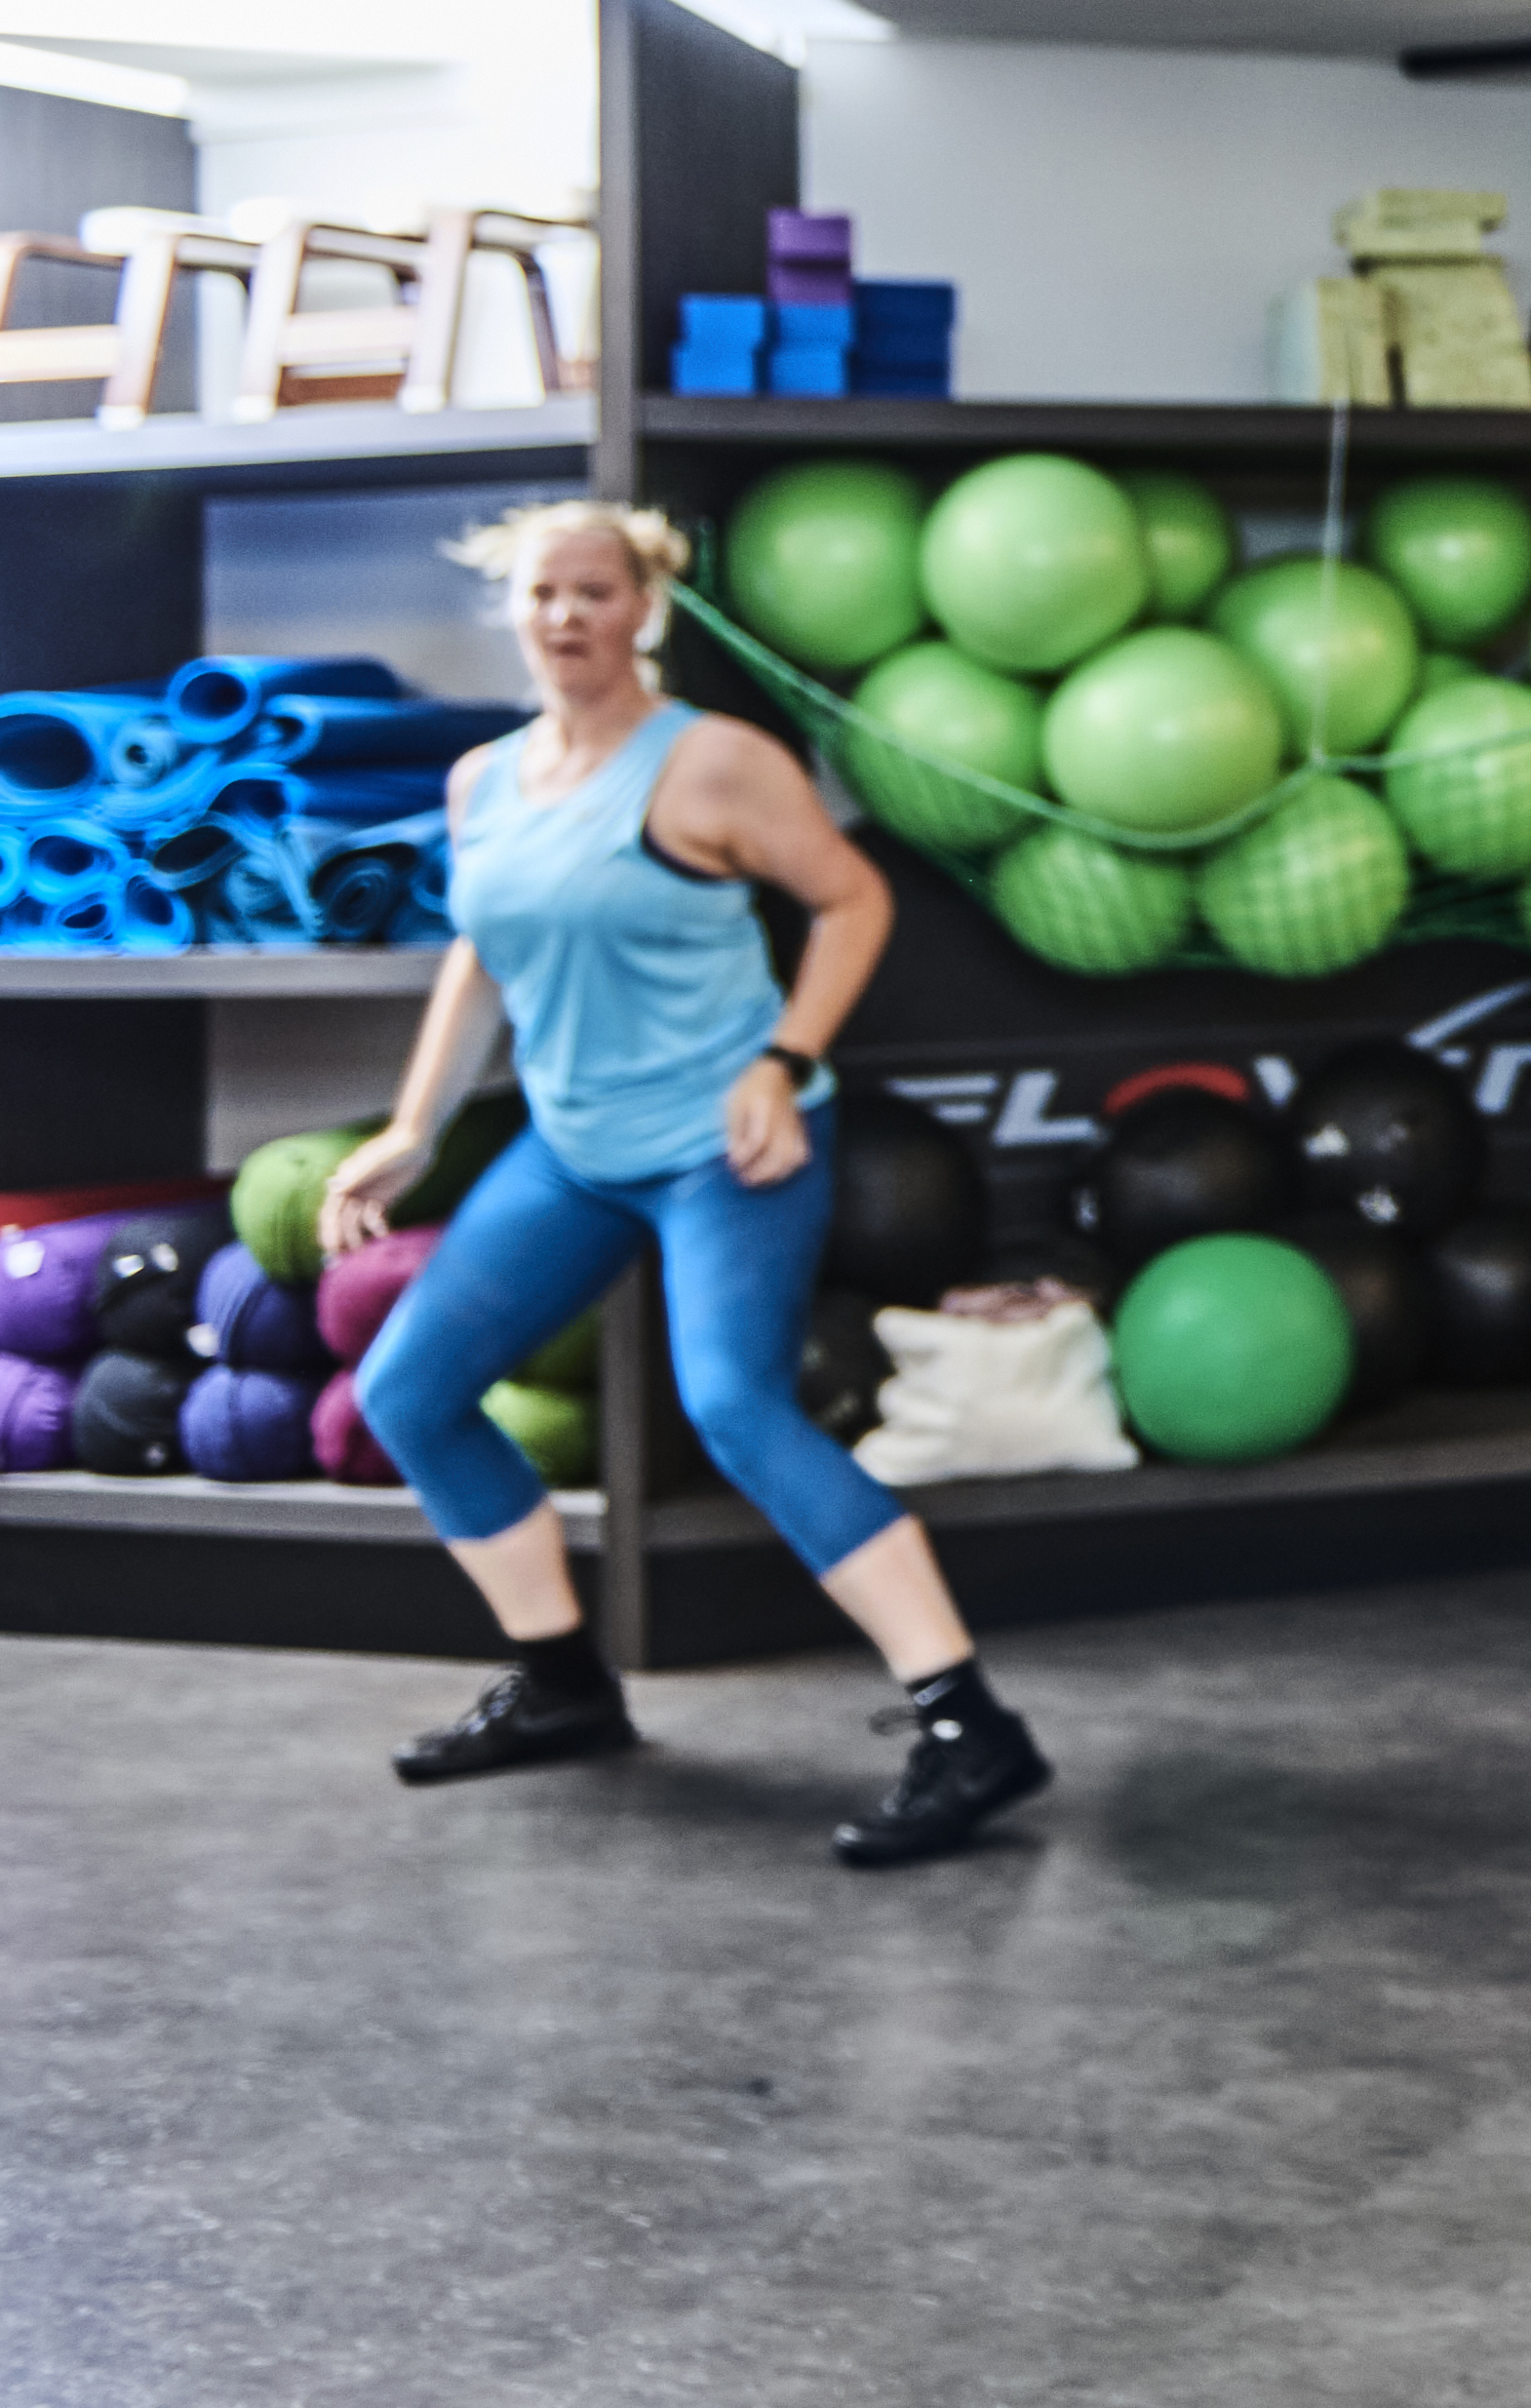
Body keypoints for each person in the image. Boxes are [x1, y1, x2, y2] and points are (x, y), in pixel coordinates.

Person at [325, 500, 1045, 1870]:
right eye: (544, 592)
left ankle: (969, 1724)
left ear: (641, 605)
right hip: (577, 1146)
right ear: (513, 605)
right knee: (409, 1389)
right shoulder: (483, 782)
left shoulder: (711, 765)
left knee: (734, 1405)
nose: (567, 617)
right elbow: (480, 951)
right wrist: (414, 1124)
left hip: (730, 1141)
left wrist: (782, 1059)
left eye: (597, 591)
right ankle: (563, 1684)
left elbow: (853, 901)